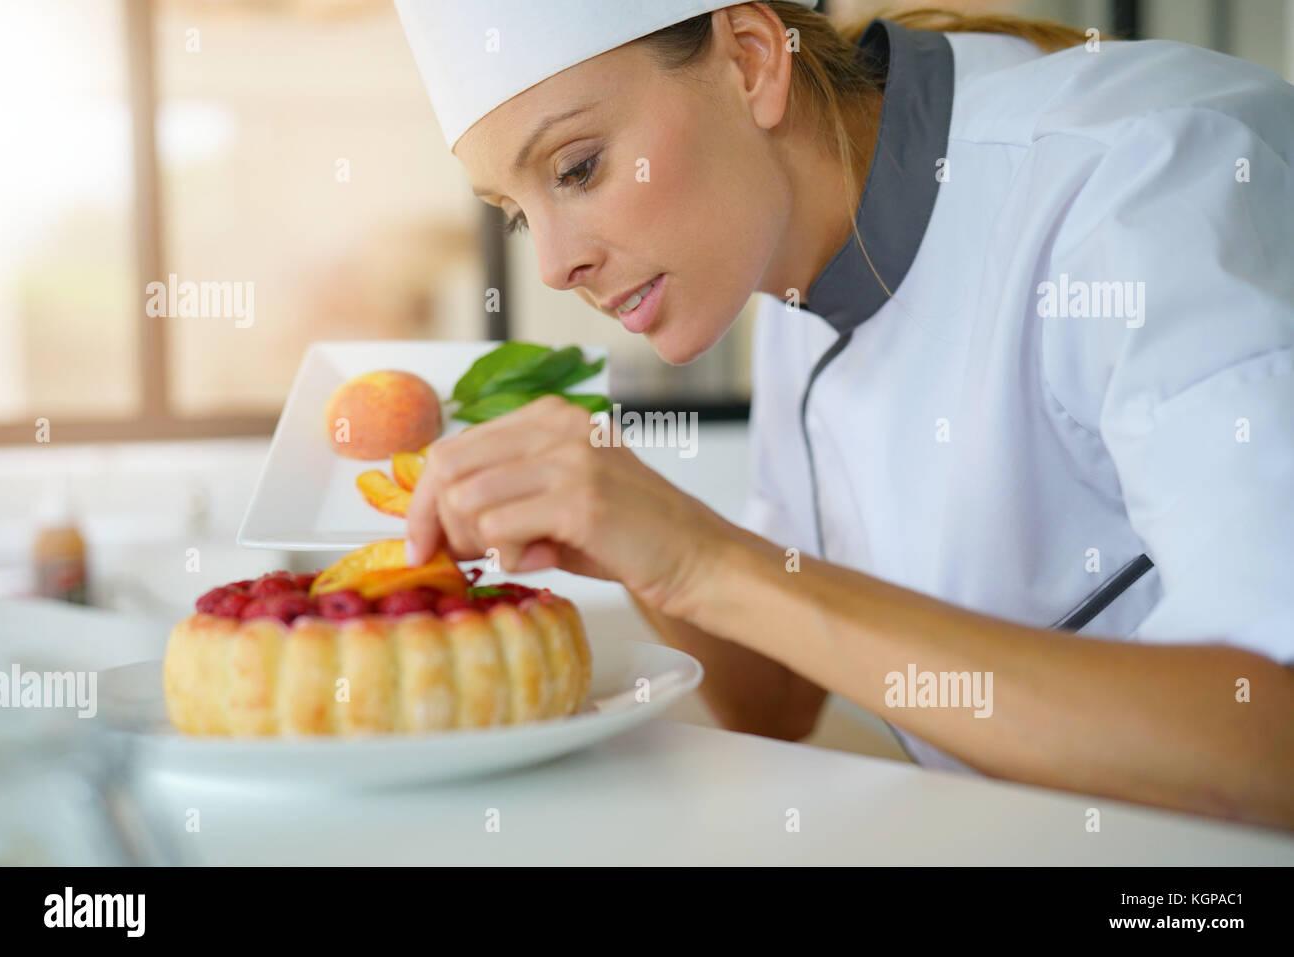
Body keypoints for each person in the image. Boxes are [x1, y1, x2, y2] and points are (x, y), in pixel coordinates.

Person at [393, 1, 1294, 830]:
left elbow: (1270, 738)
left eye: (578, 167)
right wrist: (622, 527)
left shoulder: (1147, 176)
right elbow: (776, 699)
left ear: (750, 62)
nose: (550, 266)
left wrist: (706, 558)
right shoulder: (784, 247)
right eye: (515, 215)